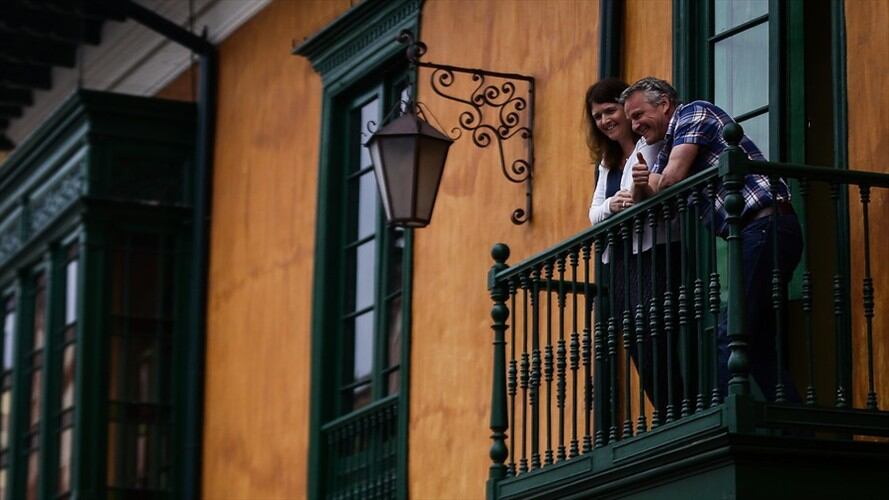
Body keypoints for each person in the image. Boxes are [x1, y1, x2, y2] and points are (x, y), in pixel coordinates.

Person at [620, 77, 803, 403]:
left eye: (637, 115)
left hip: (766, 226)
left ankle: (724, 420)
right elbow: (657, 209)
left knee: (731, 334)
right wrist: (640, 184)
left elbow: (670, 181)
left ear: (663, 104)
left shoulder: (695, 113)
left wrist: (645, 181)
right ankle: (795, 424)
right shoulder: (667, 149)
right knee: (754, 339)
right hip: (755, 233)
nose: (634, 126)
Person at [584, 78, 683, 423]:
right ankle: (668, 410)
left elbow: (645, 195)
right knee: (637, 344)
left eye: (610, 111)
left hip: (654, 253)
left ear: (627, 110)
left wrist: (627, 201)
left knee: (655, 336)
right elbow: (594, 214)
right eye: (597, 116)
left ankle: (675, 410)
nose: (605, 121)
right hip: (622, 262)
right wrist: (613, 205)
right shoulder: (608, 162)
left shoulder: (651, 145)